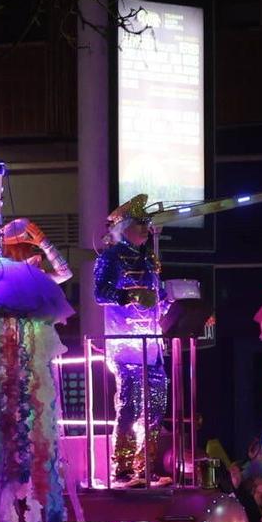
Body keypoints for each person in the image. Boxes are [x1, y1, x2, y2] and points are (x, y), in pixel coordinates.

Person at [93, 195, 168, 484]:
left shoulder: (148, 258)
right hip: (125, 345)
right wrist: (131, 295)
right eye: (142, 223)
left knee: (157, 407)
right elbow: (100, 293)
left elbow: (157, 301)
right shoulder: (110, 257)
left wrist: (179, 303)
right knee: (130, 406)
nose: (148, 228)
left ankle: (145, 467)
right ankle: (122, 469)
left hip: (152, 346)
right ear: (124, 227)